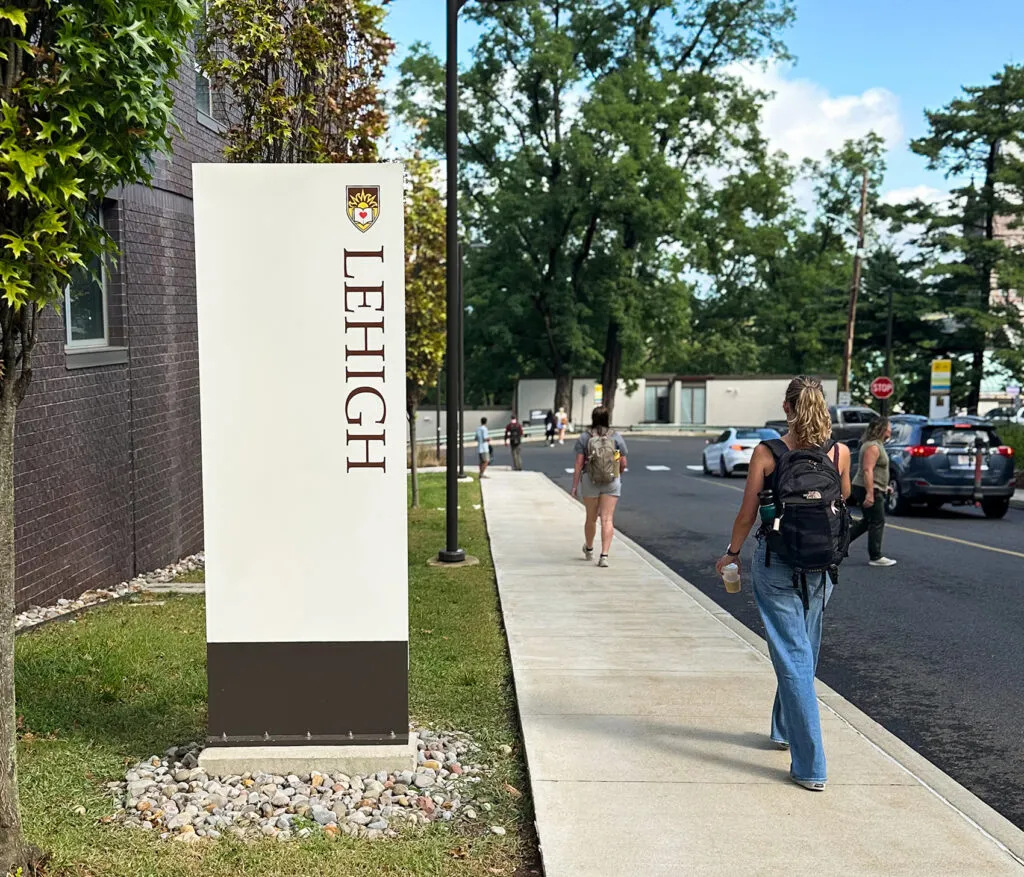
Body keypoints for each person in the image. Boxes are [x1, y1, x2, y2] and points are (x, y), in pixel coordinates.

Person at [715, 376, 851, 792]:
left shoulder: (768, 452)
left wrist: (732, 553)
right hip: (822, 567)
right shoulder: (839, 451)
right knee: (802, 652)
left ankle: (811, 766)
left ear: (787, 408)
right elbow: (843, 499)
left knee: (792, 658)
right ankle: (783, 728)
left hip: (777, 564)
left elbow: (747, 513)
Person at [571, 406, 628, 568]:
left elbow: (579, 464)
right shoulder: (615, 437)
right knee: (607, 519)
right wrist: (617, 474)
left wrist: (575, 486)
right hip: (611, 481)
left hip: (590, 480)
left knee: (591, 517)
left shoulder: (585, 437)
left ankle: (589, 549)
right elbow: (622, 462)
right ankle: (604, 555)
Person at [850, 416, 896, 567]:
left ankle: (839, 544)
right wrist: (870, 493)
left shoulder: (877, 445)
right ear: (882, 428)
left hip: (874, 486)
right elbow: (867, 470)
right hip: (868, 488)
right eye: (889, 426)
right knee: (877, 521)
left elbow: (877, 470)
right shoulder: (872, 447)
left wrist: (884, 486)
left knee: (867, 521)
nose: (891, 429)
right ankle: (875, 556)